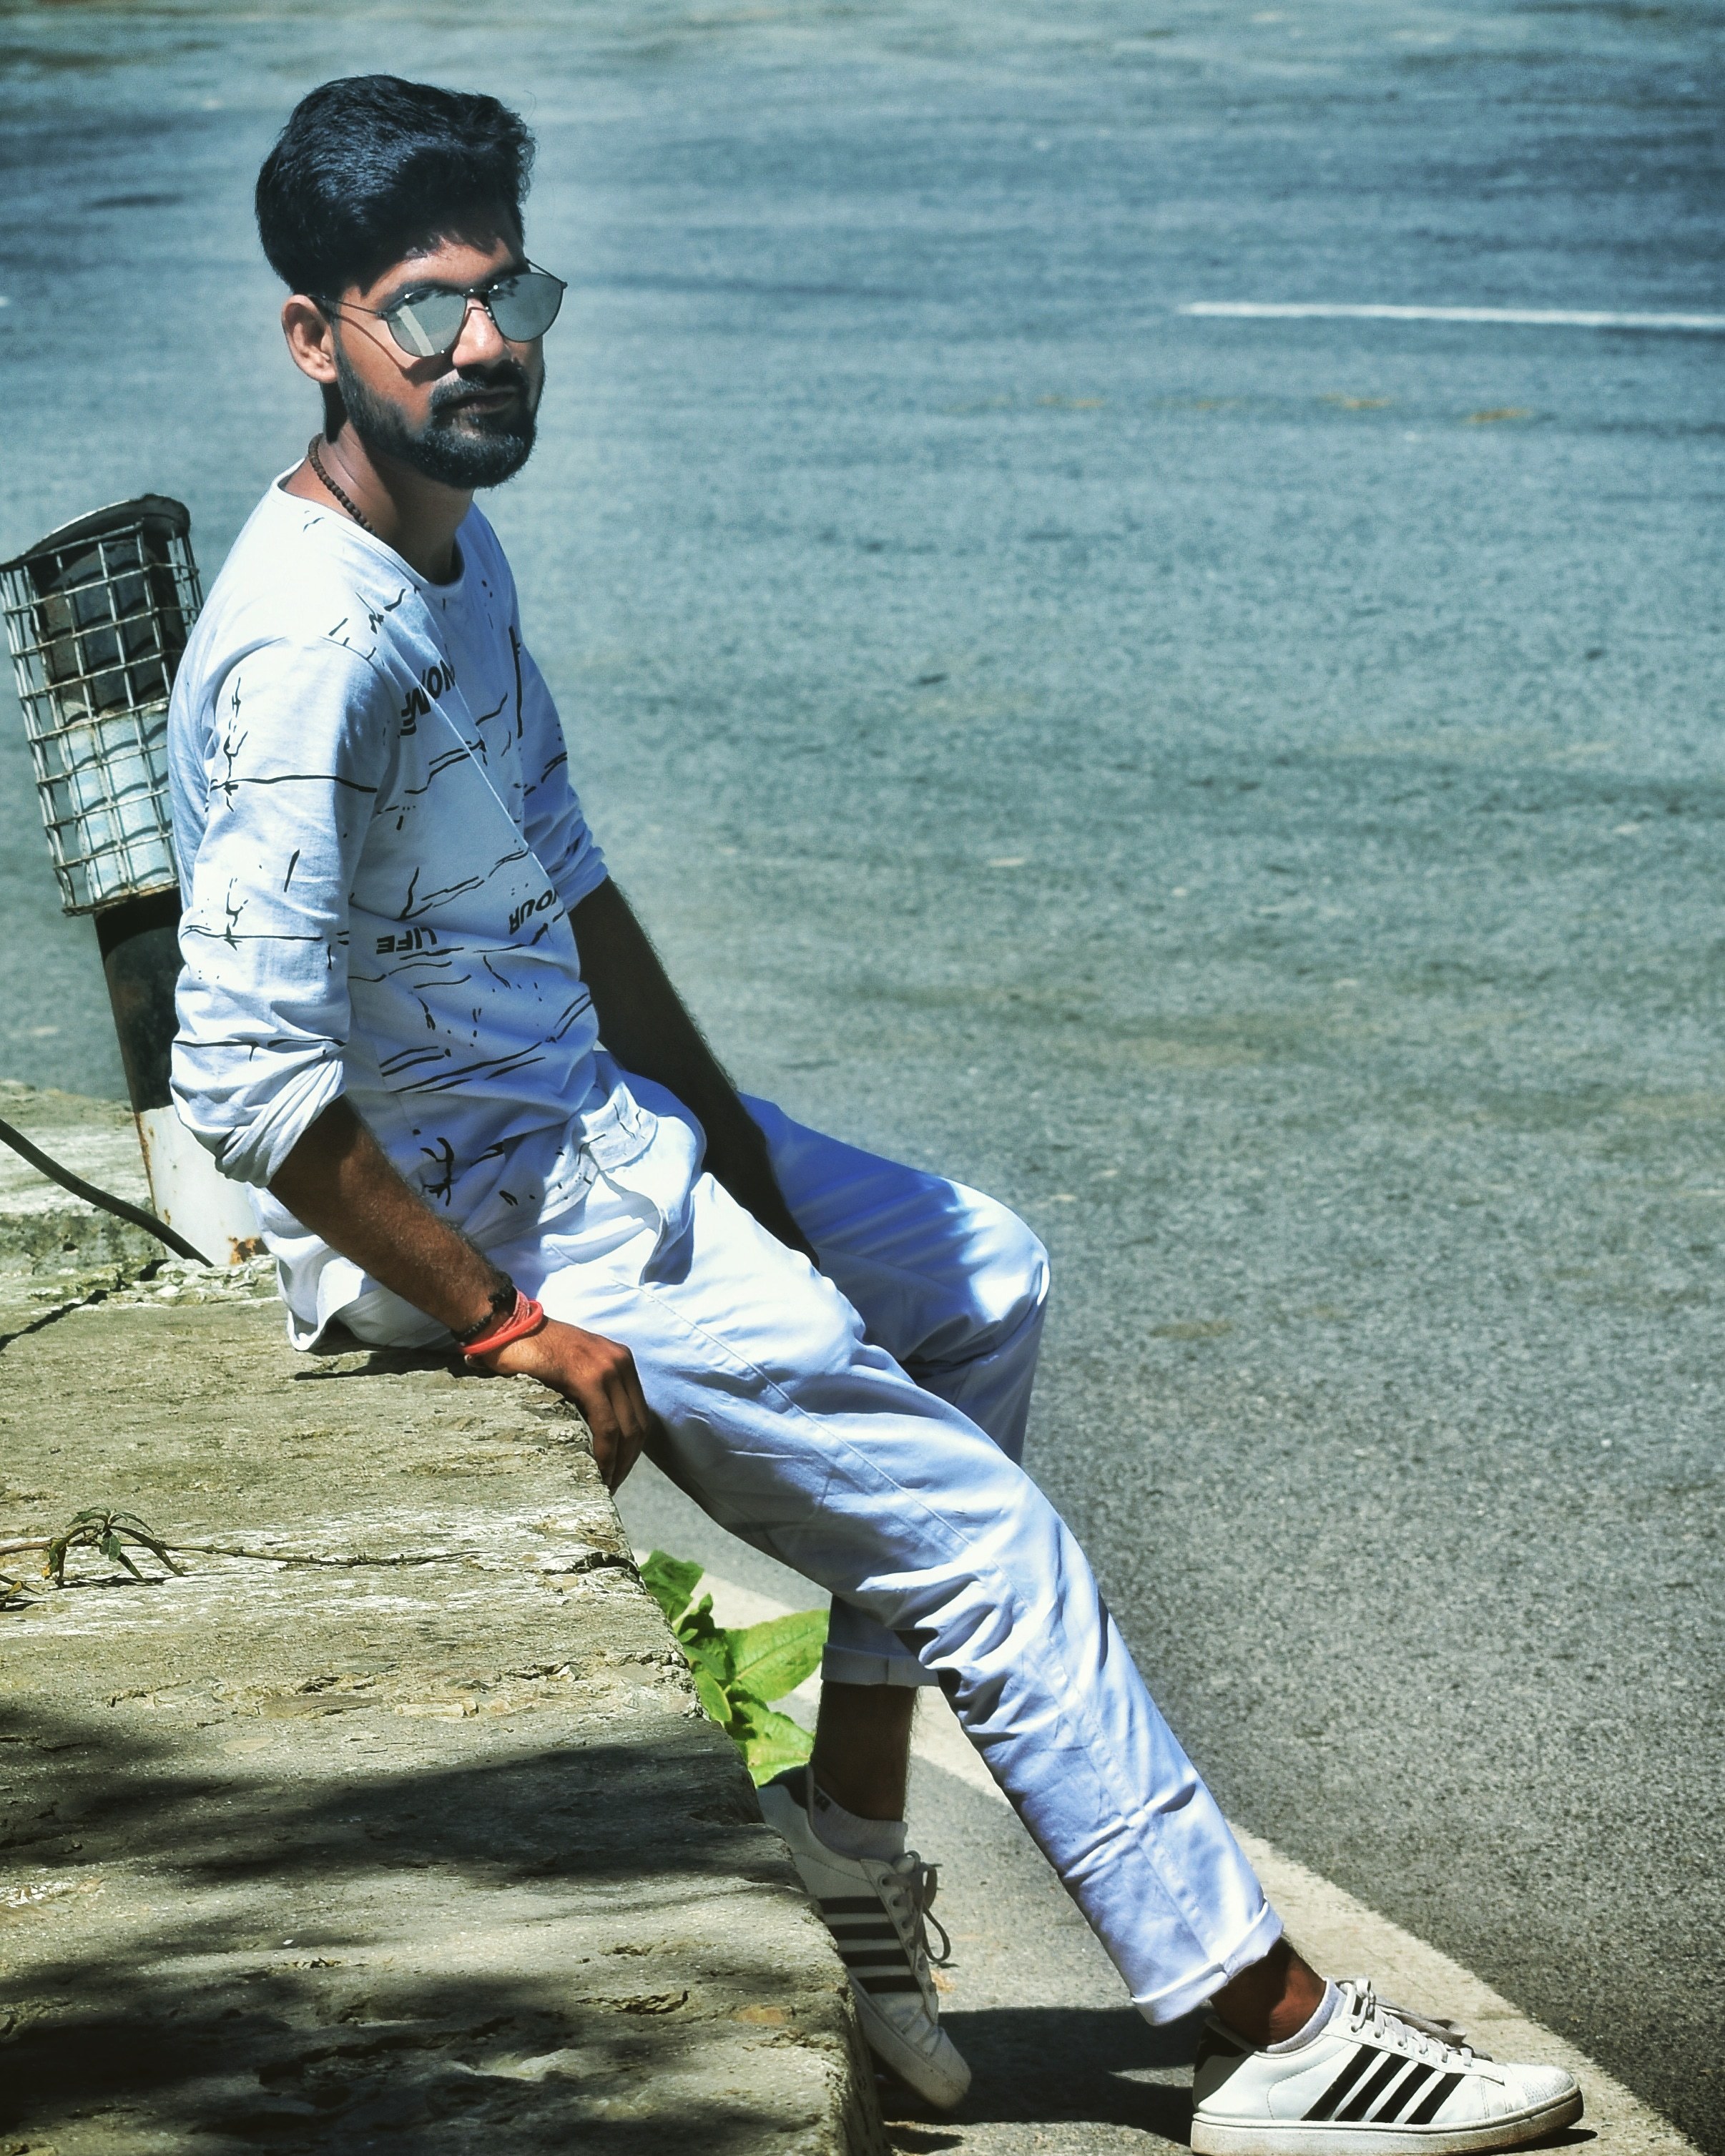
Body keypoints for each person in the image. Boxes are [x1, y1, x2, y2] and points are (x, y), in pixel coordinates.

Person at [167, 74, 1581, 2150]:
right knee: (991, 1549)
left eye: (511, 295)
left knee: (980, 1274)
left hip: (588, 1130)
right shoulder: (310, 644)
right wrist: (505, 1323)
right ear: (317, 338)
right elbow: (242, 1074)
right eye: (426, 310)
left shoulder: (450, 557)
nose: (488, 346)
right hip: (486, 1212)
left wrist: (741, 1157)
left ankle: (842, 1830)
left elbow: (570, 883)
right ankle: (1264, 2031)